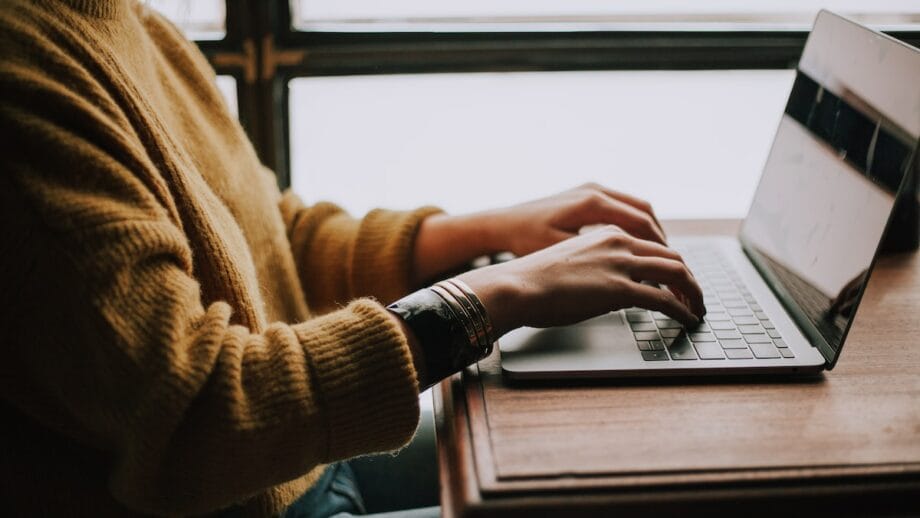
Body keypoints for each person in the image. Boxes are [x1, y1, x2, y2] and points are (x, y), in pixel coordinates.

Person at [0, 1, 705, 516]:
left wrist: (490, 232)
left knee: (629, 463)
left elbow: (267, 237)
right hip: (251, 499)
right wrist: (495, 294)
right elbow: (199, 416)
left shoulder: (130, 23)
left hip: (297, 472)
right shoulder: (24, 74)